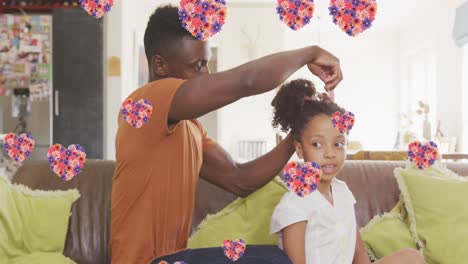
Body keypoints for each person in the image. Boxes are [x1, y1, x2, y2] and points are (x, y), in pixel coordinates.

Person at [110, 5, 343, 264]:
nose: (206, 74)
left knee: (280, 257)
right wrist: (310, 52)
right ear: (160, 65)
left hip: (175, 258)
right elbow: (246, 81)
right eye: (197, 66)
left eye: (206, 63)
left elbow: (239, 179)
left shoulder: (191, 127)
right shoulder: (145, 105)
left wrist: (294, 136)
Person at [269, 79, 426, 264]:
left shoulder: (342, 191)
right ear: (300, 148)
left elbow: (358, 253)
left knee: (411, 257)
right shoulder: (294, 204)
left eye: (338, 144)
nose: (329, 154)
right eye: (317, 144)